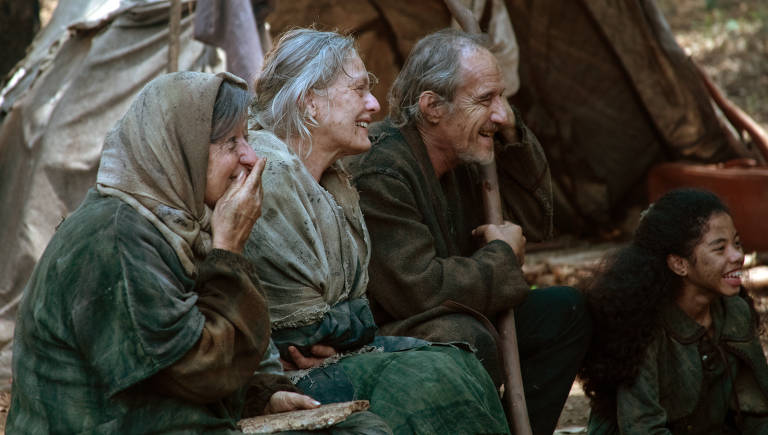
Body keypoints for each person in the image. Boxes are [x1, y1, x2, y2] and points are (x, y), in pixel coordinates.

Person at [6, 71, 321, 433]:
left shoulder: (180, 227)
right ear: (179, 149)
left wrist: (263, 394)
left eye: (246, 139)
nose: (251, 158)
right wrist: (229, 253)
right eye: (231, 142)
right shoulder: (117, 237)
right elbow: (199, 372)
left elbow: (199, 359)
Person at [244, 28, 509, 434]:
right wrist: (344, 328)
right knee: (434, 380)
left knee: (458, 361)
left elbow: (346, 313)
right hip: (282, 379)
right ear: (309, 100)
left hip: (329, 357)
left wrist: (343, 328)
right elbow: (303, 333)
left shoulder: (333, 182)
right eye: (359, 90)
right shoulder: (270, 172)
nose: (373, 104)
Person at [347, 28, 592, 434]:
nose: (501, 114)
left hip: (458, 310)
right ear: (432, 107)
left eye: (502, 97)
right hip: (389, 335)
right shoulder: (382, 170)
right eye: (485, 100)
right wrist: (500, 257)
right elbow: (417, 290)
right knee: (466, 336)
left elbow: (535, 223)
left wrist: (512, 141)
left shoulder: (467, 153)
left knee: (564, 313)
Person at [581, 188, 768, 434]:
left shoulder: (734, 312)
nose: (738, 256)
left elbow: (756, 412)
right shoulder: (643, 326)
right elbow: (643, 428)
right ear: (679, 264)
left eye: (737, 243)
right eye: (719, 248)